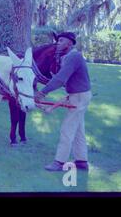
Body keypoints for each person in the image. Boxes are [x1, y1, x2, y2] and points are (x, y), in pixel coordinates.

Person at [35, 32, 92, 171]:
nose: (58, 43)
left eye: (61, 40)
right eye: (58, 41)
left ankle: (59, 162)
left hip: (79, 96)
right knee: (78, 130)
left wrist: (43, 92)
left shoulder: (74, 56)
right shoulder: (68, 57)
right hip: (77, 95)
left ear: (70, 43)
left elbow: (60, 79)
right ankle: (81, 161)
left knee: (67, 129)